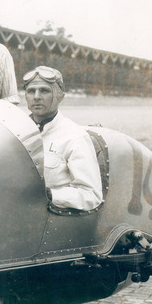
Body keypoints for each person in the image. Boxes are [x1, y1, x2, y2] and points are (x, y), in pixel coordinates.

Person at [23, 65, 103, 211]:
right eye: (31, 91)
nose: (36, 96)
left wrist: (51, 195)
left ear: (60, 96)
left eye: (45, 91)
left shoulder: (74, 137)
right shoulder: (17, 131)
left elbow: (91, 195)